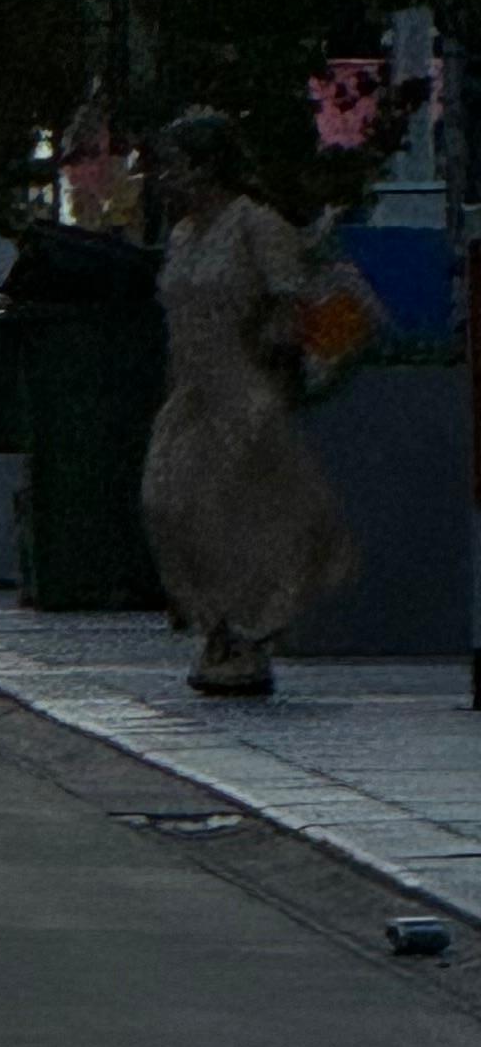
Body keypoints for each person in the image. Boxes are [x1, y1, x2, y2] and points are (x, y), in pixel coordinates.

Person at [140, 110, 356, 699]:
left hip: (246, 389)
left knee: (235, 515)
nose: (165, 180)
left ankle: (246, 636)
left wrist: (274, 365)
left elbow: (293, 301)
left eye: (176, 167)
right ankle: (214, 623)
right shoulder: (184, 234)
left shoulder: (254, 226)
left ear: (209, 168)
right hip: (190, 393)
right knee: (166, 503)